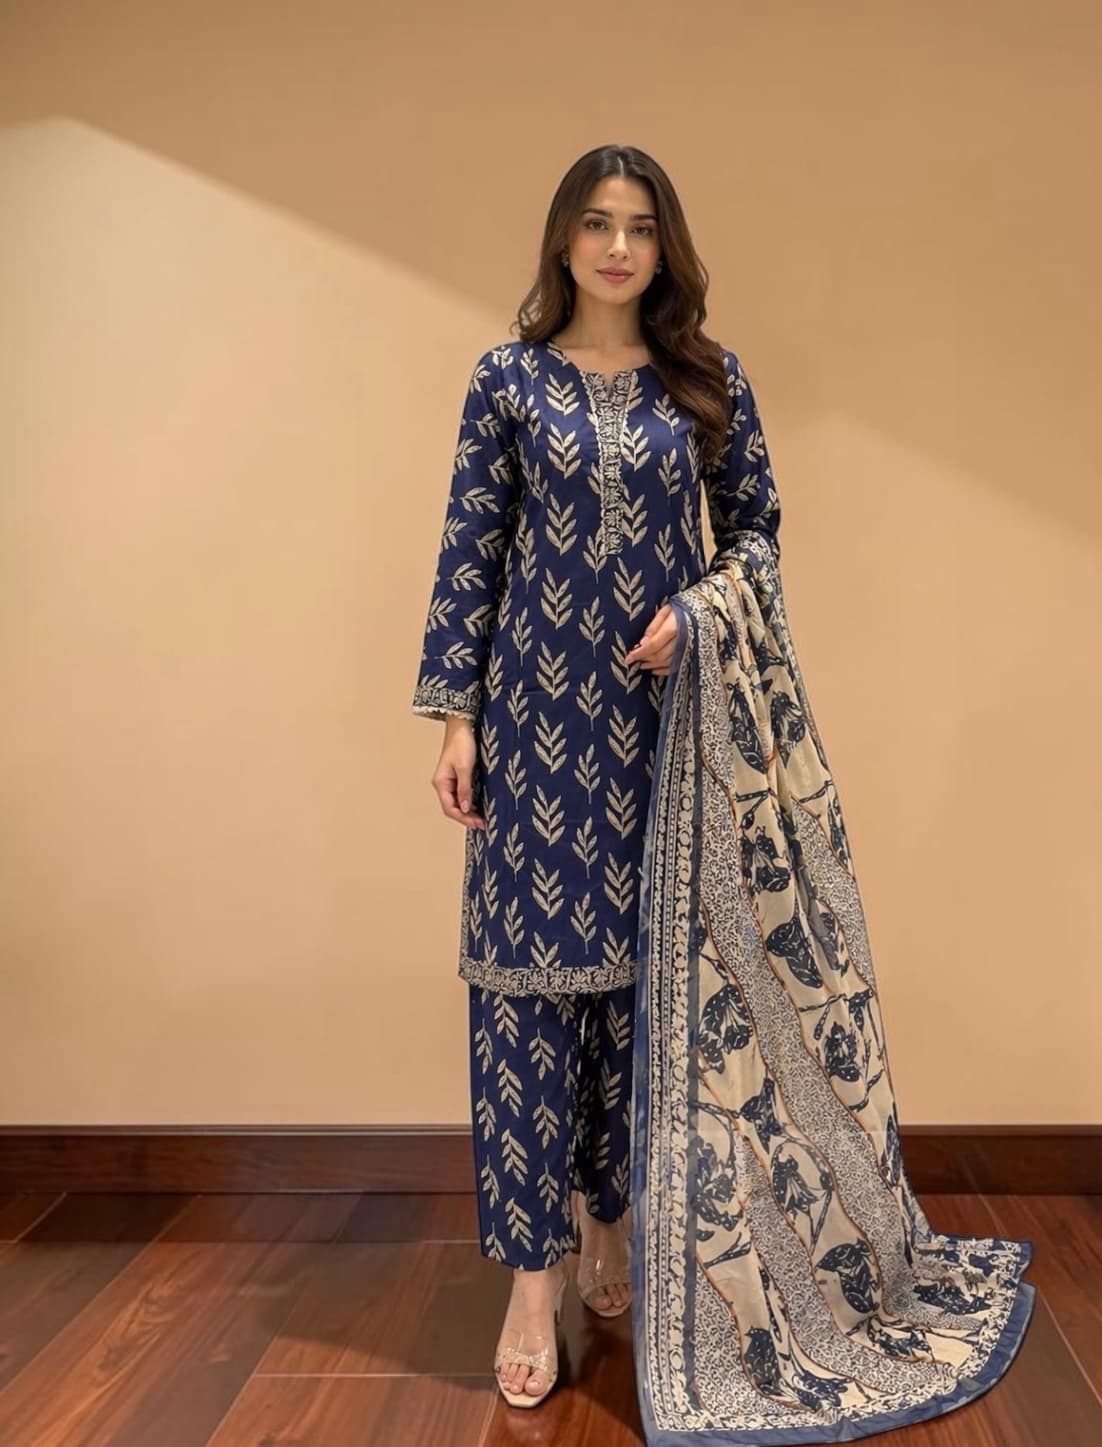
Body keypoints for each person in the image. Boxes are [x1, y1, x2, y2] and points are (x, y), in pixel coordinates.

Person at [410, 143, 781, 1408]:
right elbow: (470, 547)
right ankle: (534, 1279)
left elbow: (758, 536)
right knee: (524, 999)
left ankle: (612, 1224)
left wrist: (697, 609)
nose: (619, 248)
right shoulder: (508, 380)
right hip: (530, 727)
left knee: (638, 995)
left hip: (659, 731)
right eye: (596, 224)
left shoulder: (706, 381)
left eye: (641, 227)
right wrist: (454, 717)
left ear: (665, 247)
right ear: (563, 240)